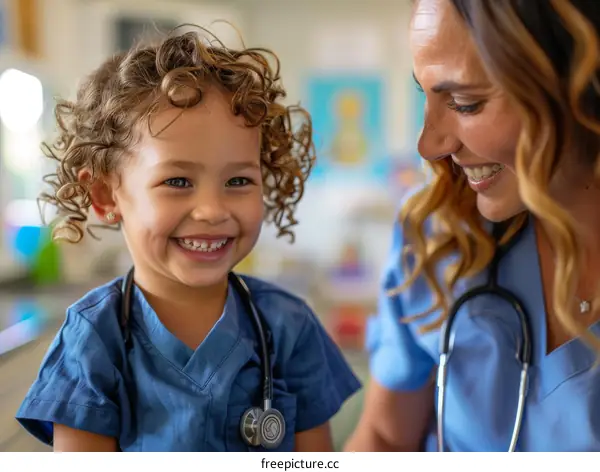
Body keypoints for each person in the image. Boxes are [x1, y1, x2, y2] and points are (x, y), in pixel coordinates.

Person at [15, 27, 361, 452]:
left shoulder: (289, 326)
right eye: (177, 180)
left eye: (238, 180)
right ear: (106, 195)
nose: (213, 210)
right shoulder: (92, 340)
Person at [345, 0, 600, 452]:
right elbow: (385, 439)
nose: (429, 145)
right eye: (425, 95)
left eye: (464, 103)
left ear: (580, 83)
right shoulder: (436, 232)